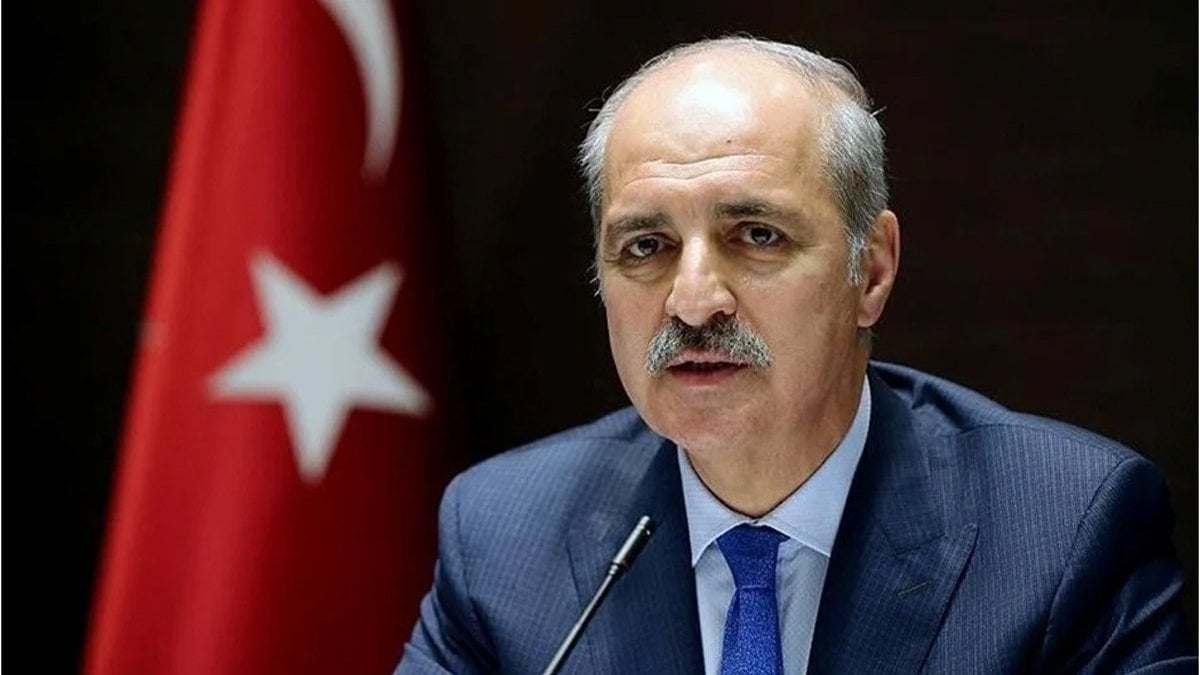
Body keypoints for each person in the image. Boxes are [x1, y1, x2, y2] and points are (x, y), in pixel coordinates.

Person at [397, 37, 1193, 674]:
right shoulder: (504, 537)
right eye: (646, 245)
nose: (693, 300)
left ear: (870, 272)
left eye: (756, 235)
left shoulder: (1063, 530)